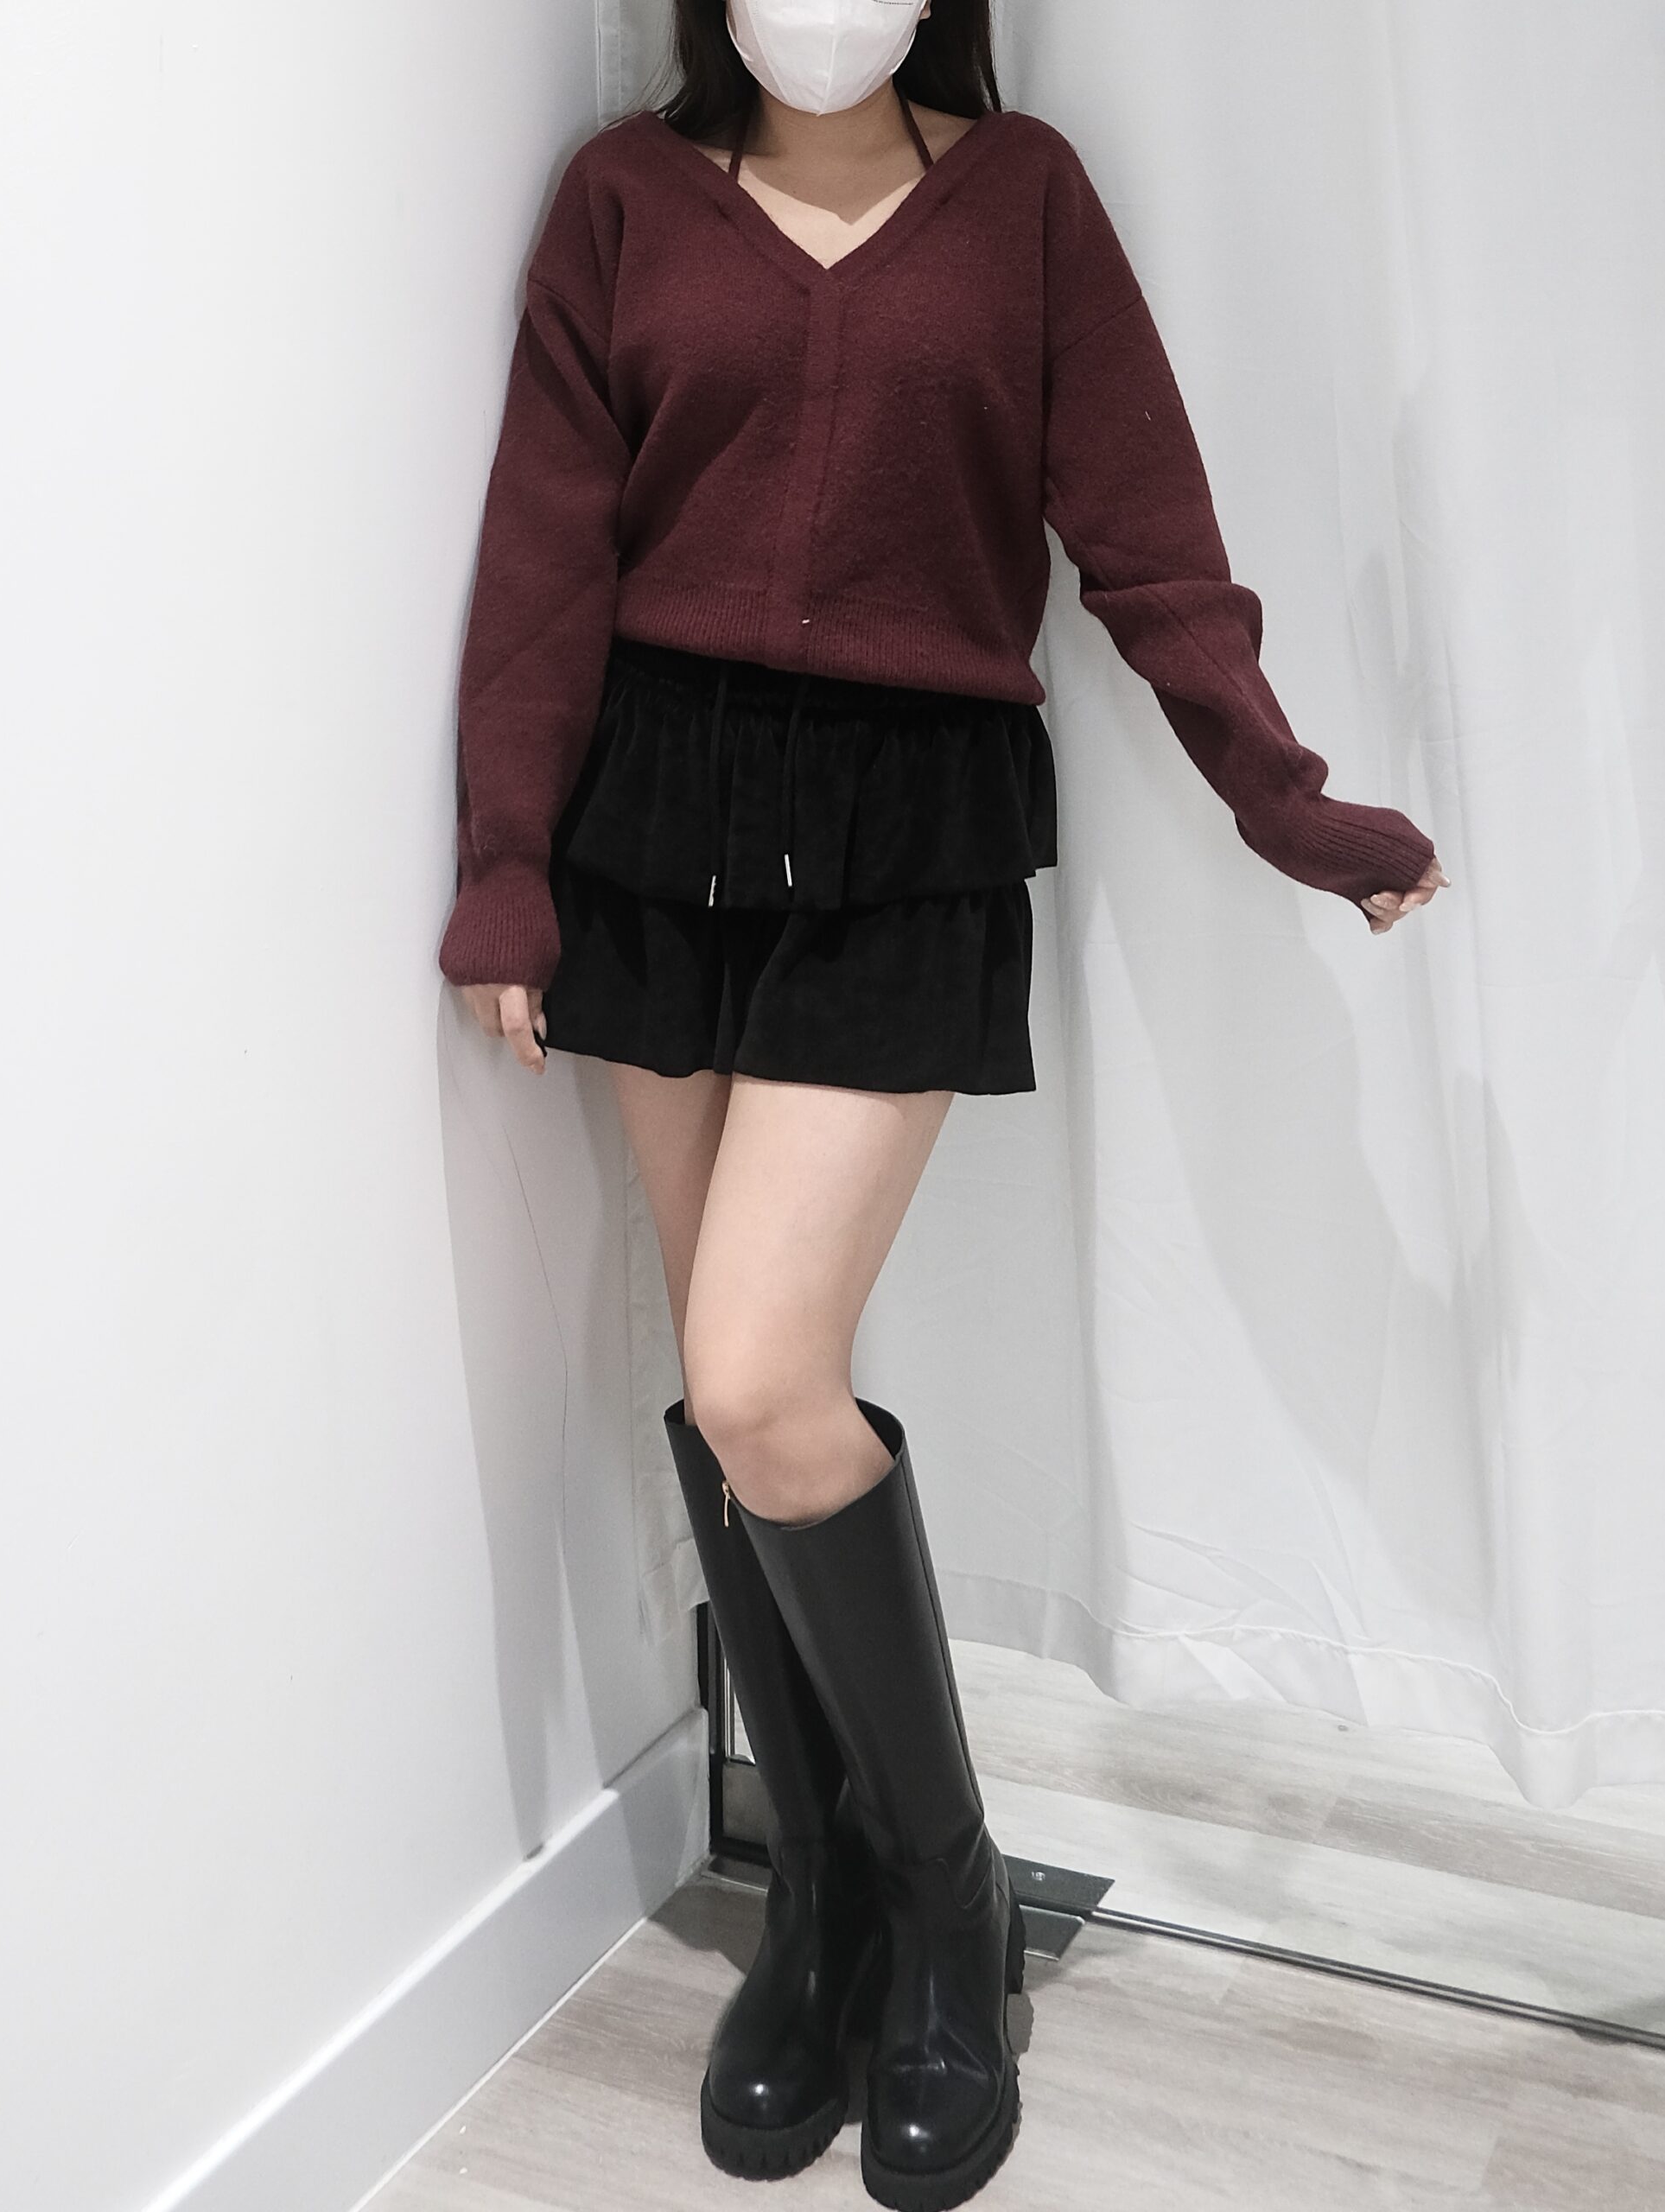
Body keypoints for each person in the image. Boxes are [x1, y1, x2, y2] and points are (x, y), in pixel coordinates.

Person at [436, 4, 1448, 2204]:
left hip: (905, 833)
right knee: (723, 1403)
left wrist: (1285, 801)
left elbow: (1149, 541)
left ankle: (943, 1893)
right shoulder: (624, 202)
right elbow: (543, 553)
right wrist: (507, 862)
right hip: (649, 828)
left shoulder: (1023, 204)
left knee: (757, 1374)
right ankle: (816, 1898)